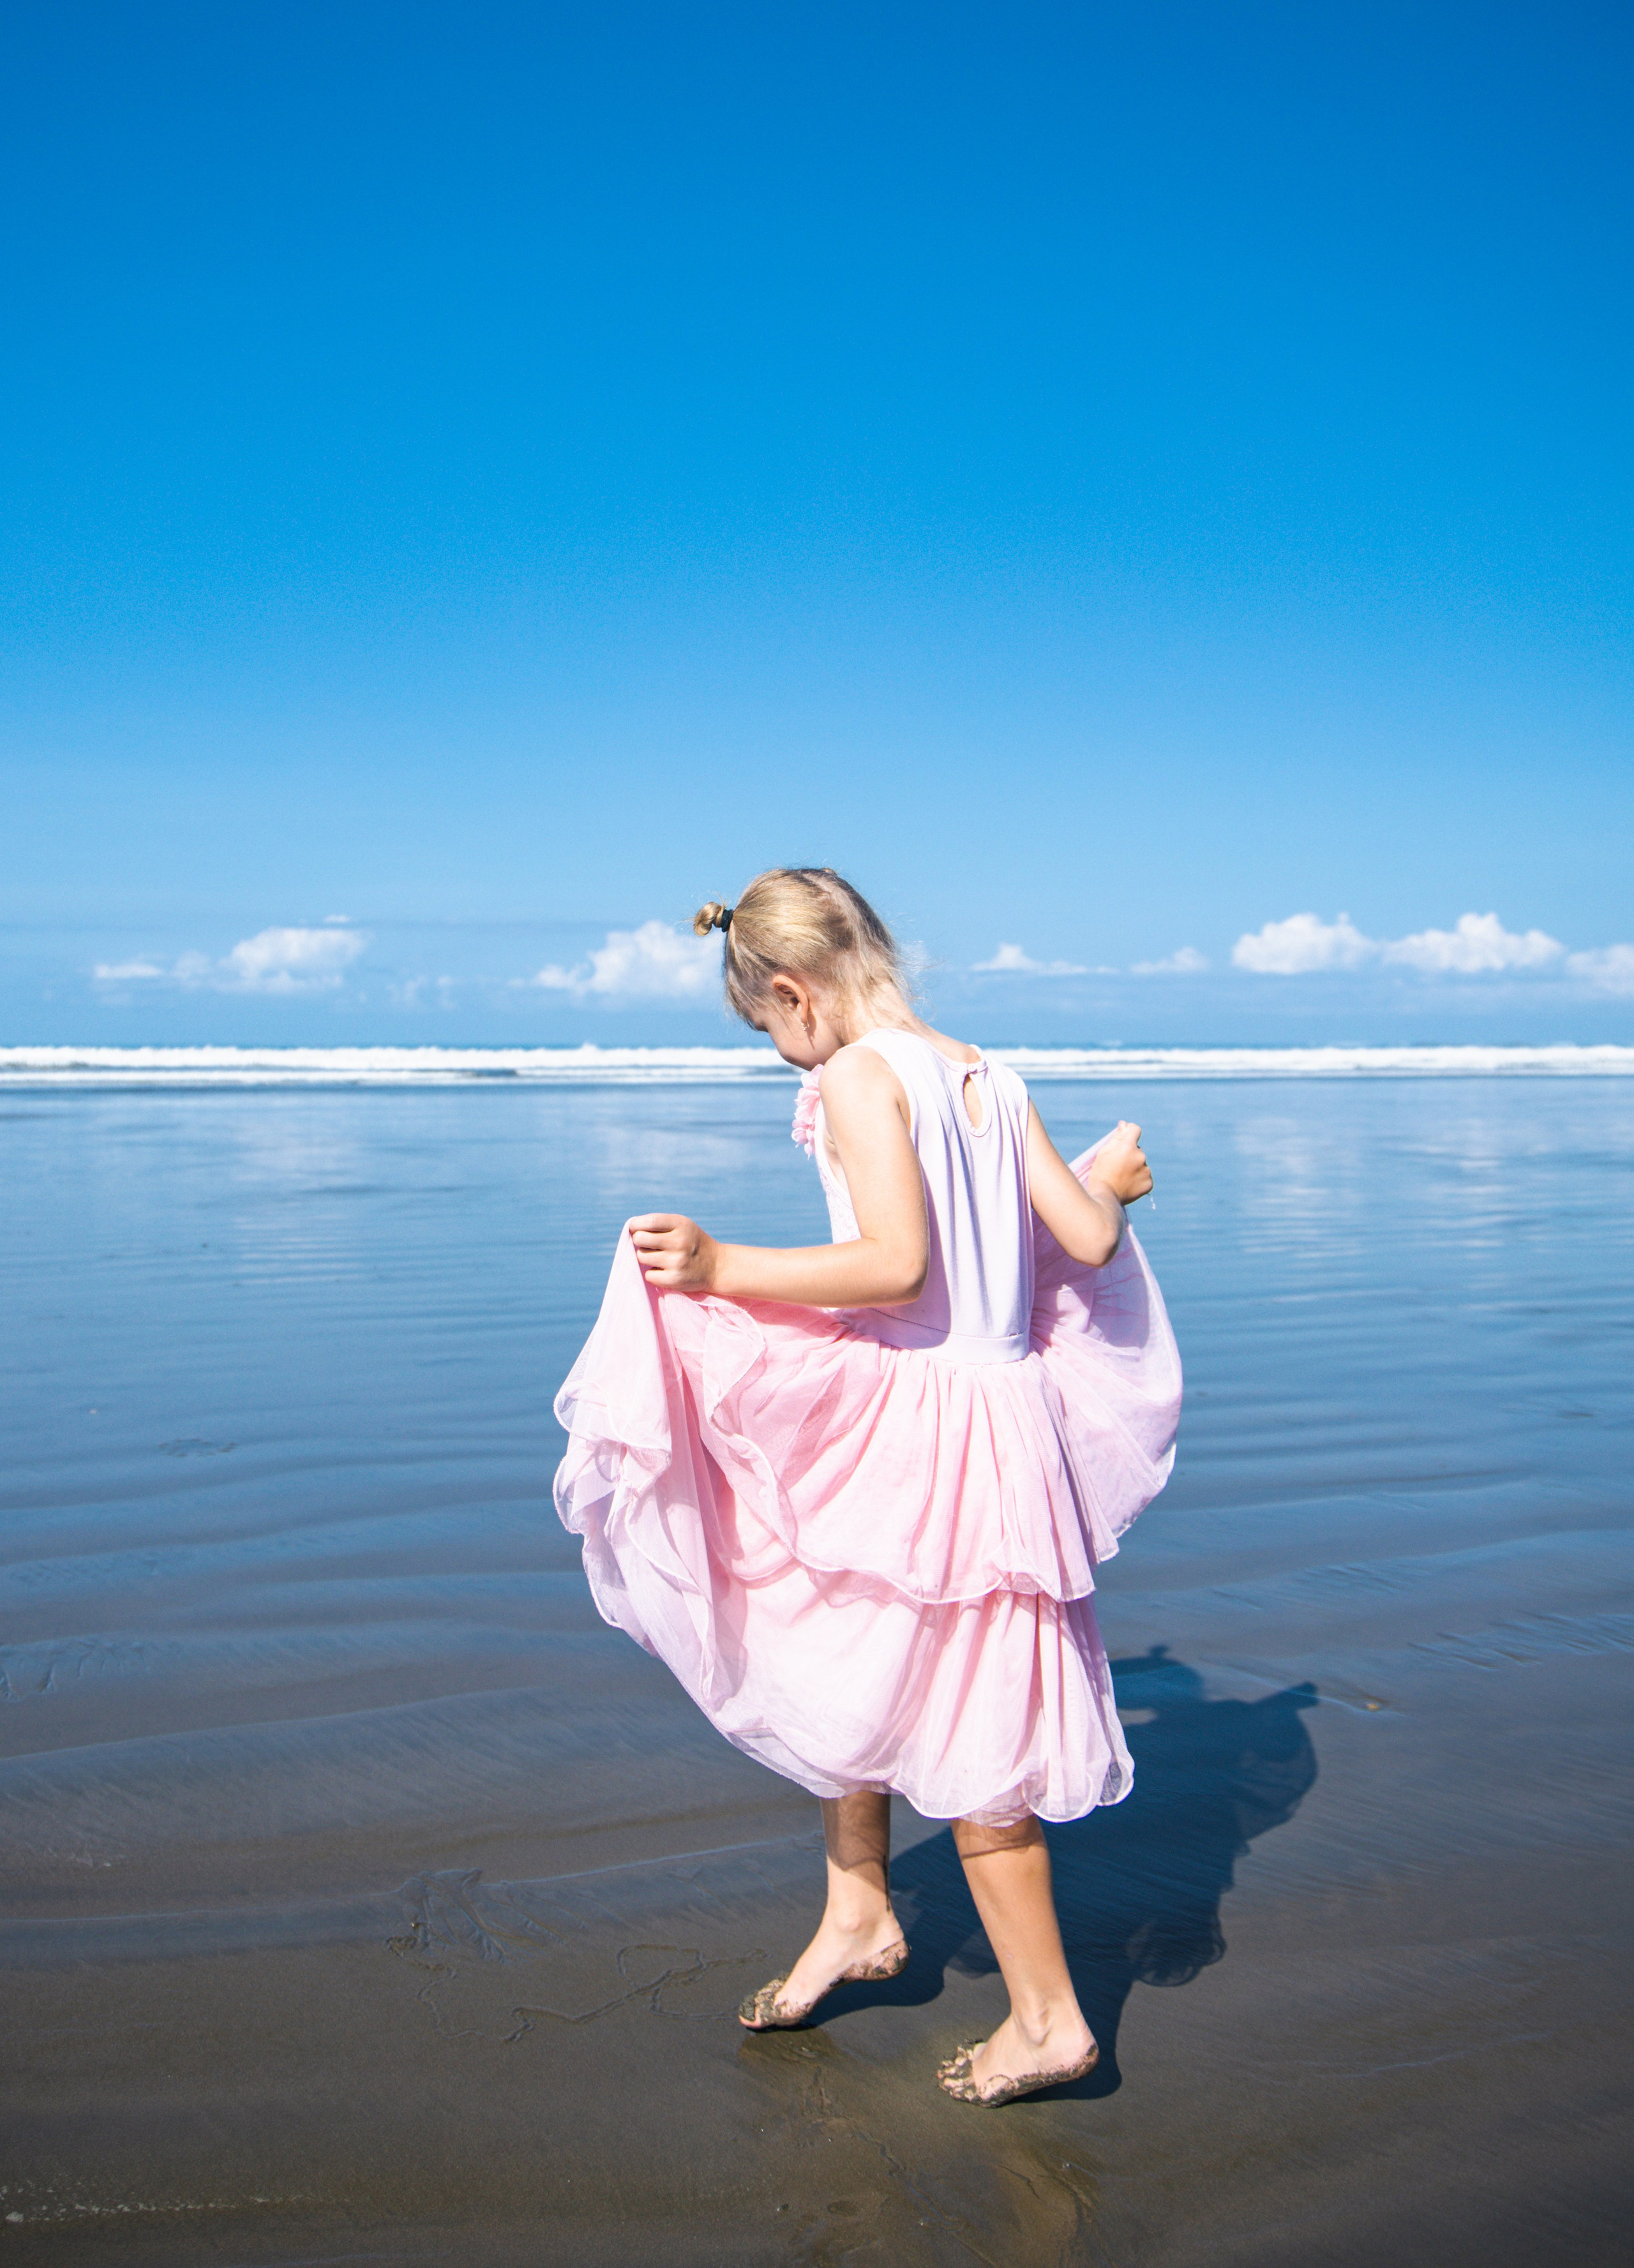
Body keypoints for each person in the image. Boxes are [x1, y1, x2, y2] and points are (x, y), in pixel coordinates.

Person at [554, 867, 1181, 2103]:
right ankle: (855, 1913)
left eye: (766, 1035)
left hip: (934, 1420)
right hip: (994, 1407)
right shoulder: (979, 1070)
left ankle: (1049, 2020)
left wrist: (724, 1261)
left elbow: (894, 1266)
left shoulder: (852, 1073)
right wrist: (1104, 1182)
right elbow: (1090, 1239)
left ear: (789, 991)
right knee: (847, 1641)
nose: (784, 1057)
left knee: (976, 1735)